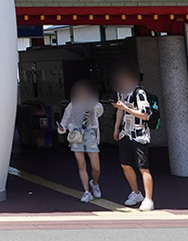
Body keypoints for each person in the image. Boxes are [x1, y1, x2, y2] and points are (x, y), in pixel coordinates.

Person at [111, 66, 155, 212]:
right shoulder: (121, 92)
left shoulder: (139, 92)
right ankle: (136, 193)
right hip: (125, 133)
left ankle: (149, 199)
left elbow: (145, 114)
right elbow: (119, 110)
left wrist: (126, 108)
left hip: (139, 134)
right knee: (125, 164)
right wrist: (117, 128)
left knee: (143, 167)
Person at [57, 79, 104, 203]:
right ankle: (86, 191)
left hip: (90, 134)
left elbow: (100, 111)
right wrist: (61, 128)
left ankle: (94, 182)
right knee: (81, 164)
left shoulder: (93, 104)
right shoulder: (72, 105)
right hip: (76, 135)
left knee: (96, 167)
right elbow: (65, 121)